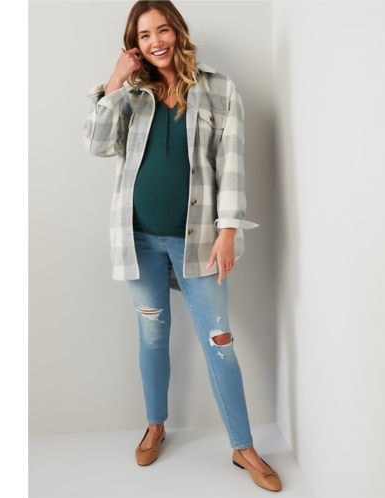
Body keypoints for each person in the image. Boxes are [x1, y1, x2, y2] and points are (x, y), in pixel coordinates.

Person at [82, 0, 282, 492]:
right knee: (152, 336)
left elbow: (231, 164)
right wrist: (114, 79)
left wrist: (229, 230)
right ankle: (155, 425)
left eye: (162, 30)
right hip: (138, 241)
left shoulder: (219, 88)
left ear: (178, 31)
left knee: (219, 340)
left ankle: (242, 446)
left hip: (199, 242)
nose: (156, 42)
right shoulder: (129, 93)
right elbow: (97, 144)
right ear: (135, 45)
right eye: (144, 35)